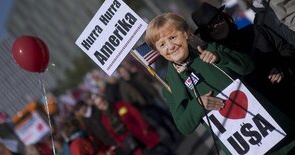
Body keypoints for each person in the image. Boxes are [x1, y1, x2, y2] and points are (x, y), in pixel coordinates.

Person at [145, 12, 295, 154]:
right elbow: (184, 126)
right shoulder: (171, 84)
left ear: (185, 33)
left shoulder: (211, 48)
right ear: (158, 50)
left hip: (276, 131)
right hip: (243, 148)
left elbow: (248, 66)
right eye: (162, 44)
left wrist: (220, 57)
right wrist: (198, 104)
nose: (170, 47)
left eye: (172, 37)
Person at [191, 2, 295, 121]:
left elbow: (287, 50)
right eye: (210, 26)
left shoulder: (255, 30)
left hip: (289, 91)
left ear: (225, 17)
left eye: (218, 19)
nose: (217, 26)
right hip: (264, 114)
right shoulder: (215, 61)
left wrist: (282, 68)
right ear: (206, 34)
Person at [92, 94, 168, 155]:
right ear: (98, 107)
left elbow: (136, 113)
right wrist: (122, 144)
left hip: (142, 132)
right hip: (131, 143)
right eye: (99, 104)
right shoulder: (104, 119)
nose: (102, 104)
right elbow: (112, 133)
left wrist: (144, 126)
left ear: (105, 99)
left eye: (102, 100)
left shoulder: (119, 104)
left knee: (162, 151)